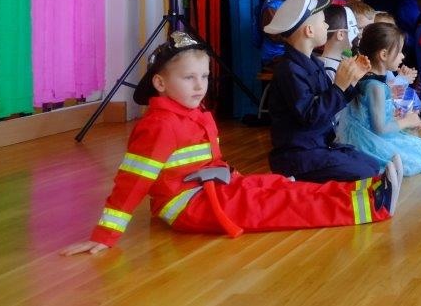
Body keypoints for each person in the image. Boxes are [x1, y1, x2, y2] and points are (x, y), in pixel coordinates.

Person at [60, 31, 398, 255]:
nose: (200, 86)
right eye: (189, 78)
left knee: (282, 187)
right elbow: (132, 181)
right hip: (191, 205)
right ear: (160, 84)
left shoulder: (194, 113)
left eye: (204, 77)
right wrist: (105, 235)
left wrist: (234, 181)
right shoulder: (158, 126)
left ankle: (368, 189)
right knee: (281, 205)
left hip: (216, 189)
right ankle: (372, 205)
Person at [264, 0, 389, 182]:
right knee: (363, 172)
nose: (326, 27)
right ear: (309, 31)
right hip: (299, 154)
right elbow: (310, 116)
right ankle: (299, 183)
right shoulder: (289, 70)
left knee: (372, 164)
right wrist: (339, 86)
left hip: (318, 145)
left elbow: (328, 103)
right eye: (323, 22)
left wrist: (351, 82)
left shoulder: (313, 62)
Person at [336, 22, 421, 174]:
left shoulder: (374, 80)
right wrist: (408, 121)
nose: (403, 56)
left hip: (368, 135)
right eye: (399, 51)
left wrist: (402, 117)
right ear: (383, 55)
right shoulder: (375, 87)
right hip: (369, 141)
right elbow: (380, 128)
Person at [257, 0, 301, 71]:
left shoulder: (288, 1)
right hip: (275, 56)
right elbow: (276, 35)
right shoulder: (271, 7)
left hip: (287, 52)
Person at [317, 4, 359, 82]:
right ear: (340, 34)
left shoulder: (344, 58)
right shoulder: (329, 69)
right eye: (354, 29)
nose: (358, 33)